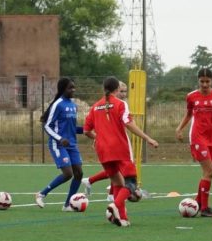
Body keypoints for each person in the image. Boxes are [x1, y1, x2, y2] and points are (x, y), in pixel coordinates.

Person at [83, 76, 158, 227]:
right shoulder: (120, 104)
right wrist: (147, 138)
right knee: (131, 183)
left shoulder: (95, 106)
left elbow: (86, 131)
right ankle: (115, 205)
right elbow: (128, 123)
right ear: (117, 89)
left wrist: (99, 138)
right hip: (119, 148)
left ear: (104, 89)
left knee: (117, 183)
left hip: (102, 150)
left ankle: (122, 218)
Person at [175, 68, 212, 217]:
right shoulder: (191, 96)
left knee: (207, 173)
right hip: (197, 137)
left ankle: (198, 202)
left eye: (207, 81)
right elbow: (188, 114)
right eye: (202, 81)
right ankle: (204, 208)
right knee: (210, 171)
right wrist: (179, 128)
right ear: (198, 80)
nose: (204, 84)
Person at [35, 78, 84, 210]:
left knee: (79, 173)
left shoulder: (73, 106)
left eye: (74, 87)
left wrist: (86, 129)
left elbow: (72, 128)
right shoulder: (58, 104)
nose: (73, 90)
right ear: (63, 89)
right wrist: (60, 139)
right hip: (58, 144)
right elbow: (47, 126)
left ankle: (68, 204)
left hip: (72, 144)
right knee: (68, 173)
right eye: (70, 88)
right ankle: (41, 194)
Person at [82, 81, 129, 198]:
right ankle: (113, 195)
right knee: (120, 170)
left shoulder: (116, 104)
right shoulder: (115, 104)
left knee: (116, 171)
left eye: (125, 91)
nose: (123, 94)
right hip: (112, 144)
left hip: (111, 142)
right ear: (115, 90)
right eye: (121, 91)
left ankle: (107, 191)